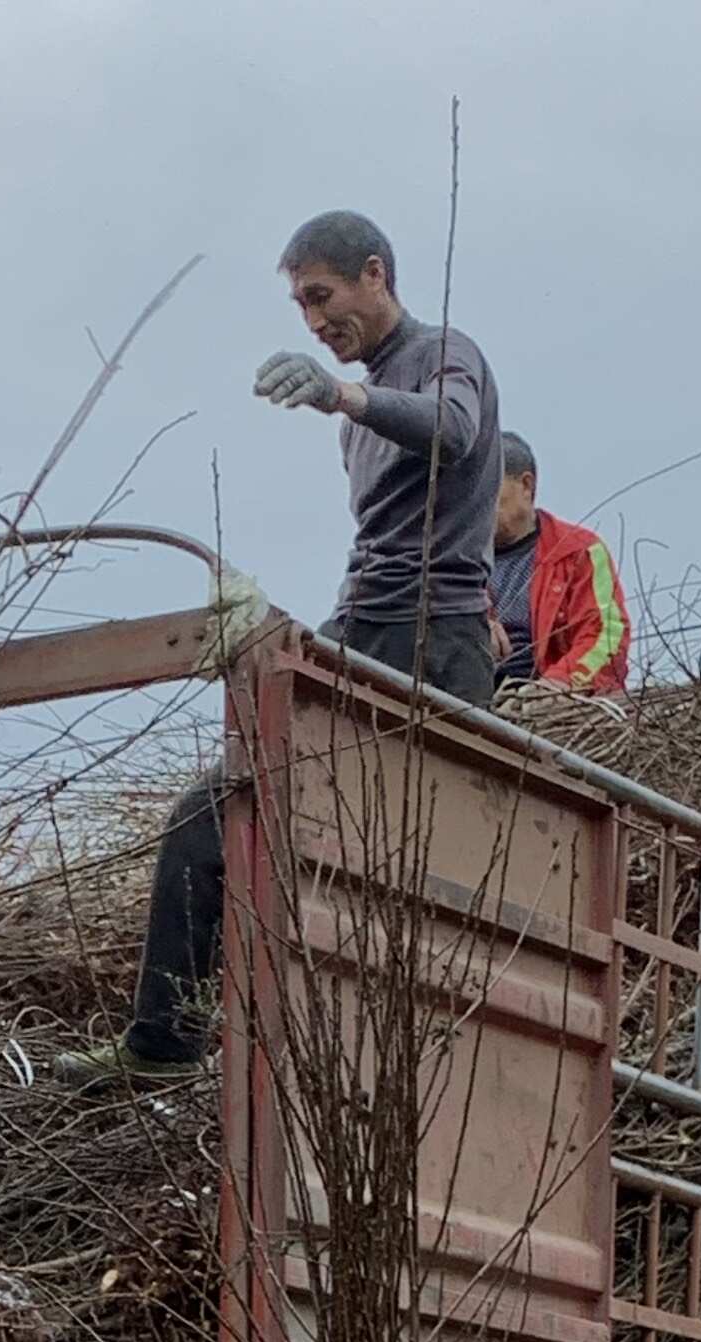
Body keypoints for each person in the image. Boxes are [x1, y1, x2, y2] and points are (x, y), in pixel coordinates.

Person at [78, 208, 502, 1081]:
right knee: (213, 813)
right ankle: (166, 1043)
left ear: (376, 275)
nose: (313, 322)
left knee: (420, 866)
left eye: (323, 295)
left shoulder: (441, 355)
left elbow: (454, 428)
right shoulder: (362, 417)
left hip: (433, 644)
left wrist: (341, 392)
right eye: (300, 307)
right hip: (366, 629)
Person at [488, 437, 632, 697]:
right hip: (474, 699)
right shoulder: (453, 561)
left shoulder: (579, 552)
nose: (481, 505)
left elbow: (607, 635)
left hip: (553, 704)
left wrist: (558, 684)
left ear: (526, 485)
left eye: (491, 492)